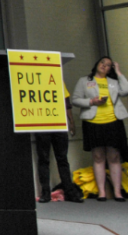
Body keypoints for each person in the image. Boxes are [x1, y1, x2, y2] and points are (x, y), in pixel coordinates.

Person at [71, 56, 128, 202]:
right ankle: (102, 192)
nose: (104, 65)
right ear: (97, 64)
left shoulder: (114, 82)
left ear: (111, 69)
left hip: (113, 122)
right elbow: (75, 99)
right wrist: (91, 101)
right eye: (102, 62)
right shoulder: (85, 81)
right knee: (98, 156)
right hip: (93, 122)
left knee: (114, 157)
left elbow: (126, 90)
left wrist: (119, 72)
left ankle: (117, 192)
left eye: (108, 65)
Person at [35, 89, 83, 203]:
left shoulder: (57, 79)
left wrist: (71, 121)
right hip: (41, 123)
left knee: (62, 159)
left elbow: (66, 103)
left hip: (59, 123)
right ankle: (45, 193)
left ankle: (69, 192)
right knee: (43, 159)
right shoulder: (35, 77)